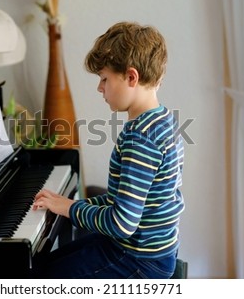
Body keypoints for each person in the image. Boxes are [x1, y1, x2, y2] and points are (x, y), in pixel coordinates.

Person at [32, 21, 185, 279]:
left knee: (39, 278)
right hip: (148, 251)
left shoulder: (141, 138)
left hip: (138, 260)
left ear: (131, 77)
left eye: (104, 79)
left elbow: (122, 223)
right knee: (44, 264)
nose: (99, 88)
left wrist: (69, 208)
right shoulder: (163, 120)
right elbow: (123, 201)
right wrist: (72, 205)